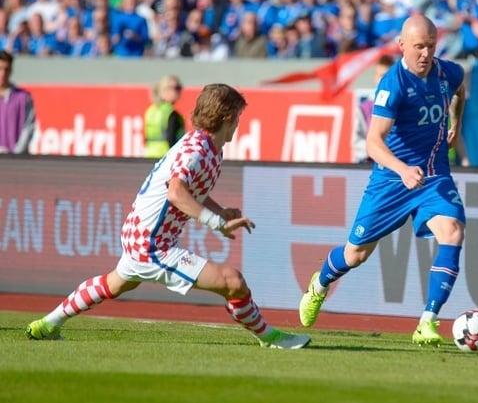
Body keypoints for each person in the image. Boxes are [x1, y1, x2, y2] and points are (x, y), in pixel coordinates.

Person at [26, 83, 311, 350]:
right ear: (226, 116)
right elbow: (176, 192)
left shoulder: (207, 147)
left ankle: (48, 323)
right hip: (151, 244)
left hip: (141, 234)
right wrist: (218, 223)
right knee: (233, 281)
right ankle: (270, 337)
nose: (239, 123)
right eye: (237, 116)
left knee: (115, 283)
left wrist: (220, 210)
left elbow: (189, 189)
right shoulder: (196, 151)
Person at [298, 14, 467, 346]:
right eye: (418, 46)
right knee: (356, 254)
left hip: (433, 174)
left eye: (431, 46)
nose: (425, 54)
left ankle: (427, 321)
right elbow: (374, 142)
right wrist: (403, 169)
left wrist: (455, 123)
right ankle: (319, 285)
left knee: (454, 231)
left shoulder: (447, 71)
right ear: (402, 45)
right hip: (392, 179)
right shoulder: (393, 84)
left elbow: (462, 88)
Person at [352, 53, 396, 164]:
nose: (382, 80)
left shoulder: (403, 104)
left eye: (386, 76)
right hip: (372, 165)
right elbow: (357, 140)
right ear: (375, 77)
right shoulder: (364, 108)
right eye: (380, 75)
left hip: (399, 165)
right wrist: (376, 151)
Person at [0, 50, 35, 155]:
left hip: (16, 160)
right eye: (0, 69)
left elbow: (29, 126)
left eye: (6, 69)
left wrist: (16, 153)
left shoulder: (23, 97)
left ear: (11, 71)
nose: (3, 74)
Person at [143, 75, 186, 159]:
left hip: (149, 155)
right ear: (164, 90)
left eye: (179, 88)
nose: (179, 91)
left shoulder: (151, 110)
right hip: (166, 157)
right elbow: (171, 139)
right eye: (176, 88)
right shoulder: (171, 113)